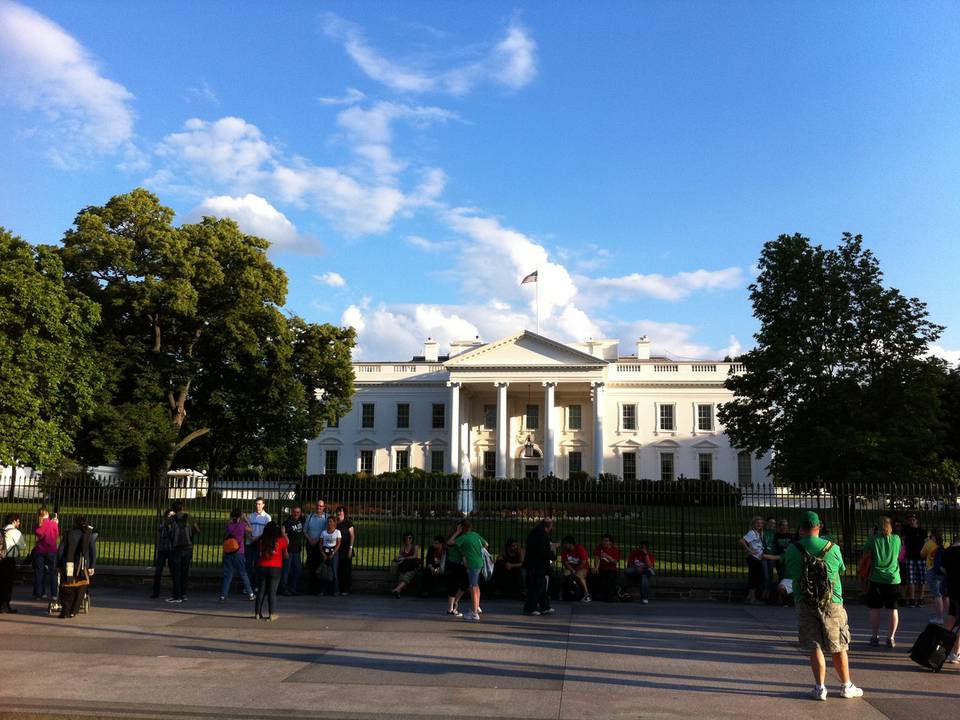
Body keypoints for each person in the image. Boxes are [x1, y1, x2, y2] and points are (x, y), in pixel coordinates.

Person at [783, 510, 862, 701]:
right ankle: (846, 685)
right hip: (832, 601)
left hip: (805, 600)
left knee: (814, 645)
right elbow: (841, 570)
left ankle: (820, 687)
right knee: (839, 645)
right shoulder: (832, 548)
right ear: (819, 527)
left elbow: (792, 574)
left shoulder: (793, 549)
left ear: (801, 529)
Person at [863, 515, 902, 647]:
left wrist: (871, 535)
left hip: (877, 578)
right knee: (893, 609)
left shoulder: (873, 540)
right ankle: (891, 637)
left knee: (875, 609)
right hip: (893, 578)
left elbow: (865, 552)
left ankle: (875, 636)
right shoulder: (897, 539)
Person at [58, 516, 97, 619]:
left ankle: (65, 610)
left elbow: (61, 550)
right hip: (83, 565)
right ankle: (73, 611)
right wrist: (92, 566)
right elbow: (93, 551)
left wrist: (58, 564)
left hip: (68, 564)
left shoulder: (68, 533)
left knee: (67, 586)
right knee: (81, 587)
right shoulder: (89, 534)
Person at [449, 519, 488, 621]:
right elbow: (486, 544)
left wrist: (457, 532)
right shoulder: (475, 534)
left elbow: (450, 542)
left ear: (462, 528)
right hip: (479, 562)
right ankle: (477, 607)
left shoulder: (463, 537)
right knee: (476, 586)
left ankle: (474, 613)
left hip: (472, 564)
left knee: (472, 587)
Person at [165, 501, 200, 604]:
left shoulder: (171, 519)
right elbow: (197, 530)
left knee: (176, 572)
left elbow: (166, 528)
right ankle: (184, 594)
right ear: (182, 507)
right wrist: (190, 535)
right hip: (188, 548)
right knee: (185, 572)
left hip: (176, 548)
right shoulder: (189, 517)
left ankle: (177, 595)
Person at [219, 508, 255, 603]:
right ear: (240, 516)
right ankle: (250, 594)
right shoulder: (242, 525)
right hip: (239, 552)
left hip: (229, 552)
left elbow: (226, 530)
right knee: (243, 573)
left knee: (228, 575)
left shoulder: (228, 525)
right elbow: (251, 530)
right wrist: (246, 519)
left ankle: (223, 596)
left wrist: (232, 519)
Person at [522, 518, 556, 616]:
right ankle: (530, 608)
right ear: (549, 526)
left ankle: (544, 606)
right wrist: (552, 556)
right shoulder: (542, 535)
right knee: (537, 586)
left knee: (541, 585)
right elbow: (543, 550)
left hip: (533, 563)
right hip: (537, 565)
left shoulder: (535, 532)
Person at [254, 521, 288, 621]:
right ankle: (272, 613)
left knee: (261, 590)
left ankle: (257, 613)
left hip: (263, 566)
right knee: (272, 592)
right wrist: (283, 533)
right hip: (276, 567)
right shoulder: (280, 540)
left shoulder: (262, 541)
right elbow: (287, 544)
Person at [1, 513, 26, 614]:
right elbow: (23, 546)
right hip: (9, 560)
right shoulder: (15, 532)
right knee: (8, 584)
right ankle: (5, 606)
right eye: (18, 521)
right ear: (14, 521)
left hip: (1, 558)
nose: (19, 523)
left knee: (1, 583)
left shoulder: (2, 530)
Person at [32, 508, 59, 602]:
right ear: (47, 514)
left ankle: (39, 594)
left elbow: (38, 534)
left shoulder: (37, 525)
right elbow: (56, 535)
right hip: (51, 550)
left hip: (39, 551)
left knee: (39, 573)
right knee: (53, 573)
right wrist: (55, 523)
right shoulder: (53, 524)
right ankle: (54, 594)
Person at [941, 534, 960, 664]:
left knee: (952, 618)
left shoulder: (948, 552)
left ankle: (941, 648)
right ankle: (955, 652)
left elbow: (942, 569)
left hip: (953, 589)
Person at [921, 528, 946, 624]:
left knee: (937, 595)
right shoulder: (946, 544)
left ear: (933, 537)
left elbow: (922, 554)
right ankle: (949, 616)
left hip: (932, 570)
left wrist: (926, 542)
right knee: (945, 595)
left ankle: (939, 617)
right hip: (942, 571)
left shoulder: (929, 544)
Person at [901, 514, 926, 608]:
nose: (912, 521)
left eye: (913, 520)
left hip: (921, 557)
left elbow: (926, 542)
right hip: (910, 557)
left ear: (917, 521)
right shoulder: (906, 530)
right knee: (910, 579)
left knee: (922, 579)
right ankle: (912, 599)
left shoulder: (922, 531)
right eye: (910, 520)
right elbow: (902, 540)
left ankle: (921, 598)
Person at [150, 508, 175, 599]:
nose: (170, 517)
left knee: (174, 571)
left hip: (171, 550)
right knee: (158, 572)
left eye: (172, 516)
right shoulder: (162, 525)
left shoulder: (175, 526)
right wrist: (158, 547)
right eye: (169, 515)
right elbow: (158, 536)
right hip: (162, 550)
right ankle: (156, 592)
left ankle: (175, 592)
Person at [245, 497, 271, 584]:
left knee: (258, 565)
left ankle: (257, 585)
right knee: (248, 565)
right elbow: (245, 529)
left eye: (259, 504)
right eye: (256, 504)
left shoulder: (267, 517)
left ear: (263, 505)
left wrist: (256, 538)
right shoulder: (250, 516)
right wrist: (250, 537)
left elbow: (267, 532)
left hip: (260, 544)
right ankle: (248, 586)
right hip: (250, 543)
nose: (257, 506)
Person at [303, 499, 327, 594]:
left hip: (320, 545)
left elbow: (326, 531)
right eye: (317, 506)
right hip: (310, 544)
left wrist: (317, 540)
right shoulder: (310, 516)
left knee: (319, 566)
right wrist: (310, 540)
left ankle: (319, 589)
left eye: (321, 506)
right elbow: (305, 530)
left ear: (324, 507)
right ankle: (311, 588)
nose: (319, 508)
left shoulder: (326, 517)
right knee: (311, 566)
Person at [740, 516, 765, 604]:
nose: (759, 525)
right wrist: (749, 550)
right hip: (753, 558)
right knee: (754, 578)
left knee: (755, 578)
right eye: (757, 523)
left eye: (761, 523)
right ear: (753, 524)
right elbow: (742, 541)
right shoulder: (752, 533)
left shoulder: (758, 533)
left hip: (758, 558)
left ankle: (749, 597)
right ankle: (752, 598)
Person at [280, 505, 305, 596]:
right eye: (294, 512)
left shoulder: (301, 520)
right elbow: (283, 538)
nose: (296, 514)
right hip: (289, 550)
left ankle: (293, 588)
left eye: (298, 512)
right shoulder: (287, 523)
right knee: (286, 570)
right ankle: (284, 589)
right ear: (291, 512)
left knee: (297, 570)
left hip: (297, 551)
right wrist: (285, 550)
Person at [445, 522, 467, 617]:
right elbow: (462, 553)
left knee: (454, 585)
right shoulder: (458, 539)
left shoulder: (452, 538)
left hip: (452, 564)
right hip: (457, 564)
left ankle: (452, 606)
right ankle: (453, 605)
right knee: (463, 583)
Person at [560, 535, 591, 602]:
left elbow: (583, 562)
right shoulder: (565, 551)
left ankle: (587, 595)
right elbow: (565, 563)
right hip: (572, 568)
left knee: (579, 575)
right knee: (565, 574)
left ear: (570, 544)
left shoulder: (579, 548)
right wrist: (572, 570)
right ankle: (563, 592)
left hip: (582, 567)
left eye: (565, 543)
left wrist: (575, 570)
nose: (564, 545)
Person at [591, 533, 621, 602]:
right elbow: (596, 558)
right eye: (603, 540)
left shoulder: (614, 549)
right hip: (601, 568)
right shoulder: (599, 548)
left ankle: (610, 596)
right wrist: (596, 567)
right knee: (593, 574)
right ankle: (595, 594)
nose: (604, 542)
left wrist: (607, 556)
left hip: (611, 569)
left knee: (610, 577)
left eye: (606, 541)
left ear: (610, 542)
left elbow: (615, 561)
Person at [391, 532, 420, 598]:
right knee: (402, 575)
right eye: (406, 538)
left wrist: (405, 558)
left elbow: (414, 556)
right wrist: (397, 557)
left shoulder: (415, 546)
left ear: (412, 539)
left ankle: (397, 589)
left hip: (413, 565)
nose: (408, 539)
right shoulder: (403, 547)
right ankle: (397, 591)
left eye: (410, 538)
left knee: (407, 575)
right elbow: (400, 556)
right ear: (404, 539)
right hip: (404, 565)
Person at [319, 516, 342, 596]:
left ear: (334, 523)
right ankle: (323, 590)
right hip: (325, 552)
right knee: (324, 572)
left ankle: (336, 590)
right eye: (328, 521)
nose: (329, 523)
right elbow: (321, 544)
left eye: (331, 521)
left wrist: (333, 553)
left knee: (334, 572)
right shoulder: (323, 532)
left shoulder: (337, 532)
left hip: (334, 553)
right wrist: (323, 553)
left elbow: (338, 543)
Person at [335, 506, 355, 596]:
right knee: (338, 570)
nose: (339, 513)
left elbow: (352, 536)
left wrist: (350, 548)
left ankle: (346, 589)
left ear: (344, 513)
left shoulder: (348, 523)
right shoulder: (335, 523)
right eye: (338, 511)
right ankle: (338, 588)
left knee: (346, 570)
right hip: (337, 549)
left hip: (346, 549)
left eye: (341, 511)